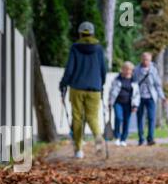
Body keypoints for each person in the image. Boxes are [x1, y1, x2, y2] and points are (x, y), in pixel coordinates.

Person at [60, 22, 107, 159]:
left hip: (76, 87)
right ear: (92, 34)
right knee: (92, 116)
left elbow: (70, 68)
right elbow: (103, 69)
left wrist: (63, 84)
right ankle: (98, 136)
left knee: (77, 117)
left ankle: (79, 149)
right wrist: (101, 83)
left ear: (80, 33)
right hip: (95, 88)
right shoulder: (98, 48)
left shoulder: (75, 47)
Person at [133, 52, 166, 146]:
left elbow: (157, 85)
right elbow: (134, 84)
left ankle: (150, 138)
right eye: (143, 59)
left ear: (150, 60)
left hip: (151, 97)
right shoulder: (136, 69)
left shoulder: (153, 70)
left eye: (147, 59)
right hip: (139, 98)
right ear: (141, 59)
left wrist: (162, 97)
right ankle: (140, 138)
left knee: (151, 118)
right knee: (140, 118)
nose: (145, 61)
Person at [108, 61, 140, 147]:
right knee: (118, 118)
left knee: (127, 121)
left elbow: (137, 94)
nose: (127, 71)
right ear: (122, 69)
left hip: (129, 103)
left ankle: (123, 139)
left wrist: (135, 105)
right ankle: (117, 136)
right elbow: (112, 91)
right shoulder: (117, 79)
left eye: (129, 70)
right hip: (118, 102)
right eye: (125, 69)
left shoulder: (134, 81)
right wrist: (110, 102)